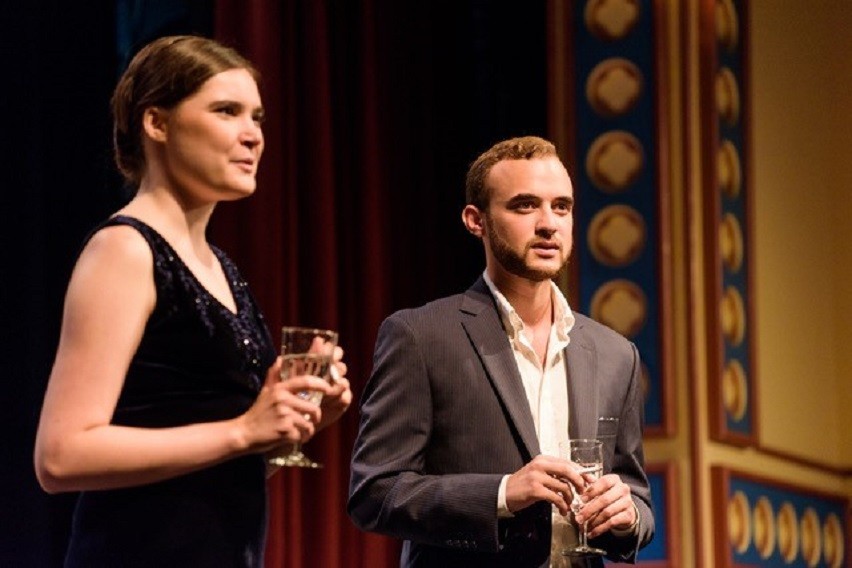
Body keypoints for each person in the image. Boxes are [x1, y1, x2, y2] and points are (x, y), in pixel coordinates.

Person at [33, 35, 351, 567]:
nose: (253, 135)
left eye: (257, 117)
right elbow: (60, 456)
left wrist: (290, 426)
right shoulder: (125, 251)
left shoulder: (219, 266)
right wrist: (244, 430)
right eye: (226, 111)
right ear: (156, 123)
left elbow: (209, 472)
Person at [348, 136, 653, 567]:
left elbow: (637, 498)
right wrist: (502, 493)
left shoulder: (615, 354)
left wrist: (628, 517)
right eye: (525, 206)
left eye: (561, 207)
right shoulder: (421, 336)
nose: (548, 224)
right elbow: (374, 493)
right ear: (476, 220)